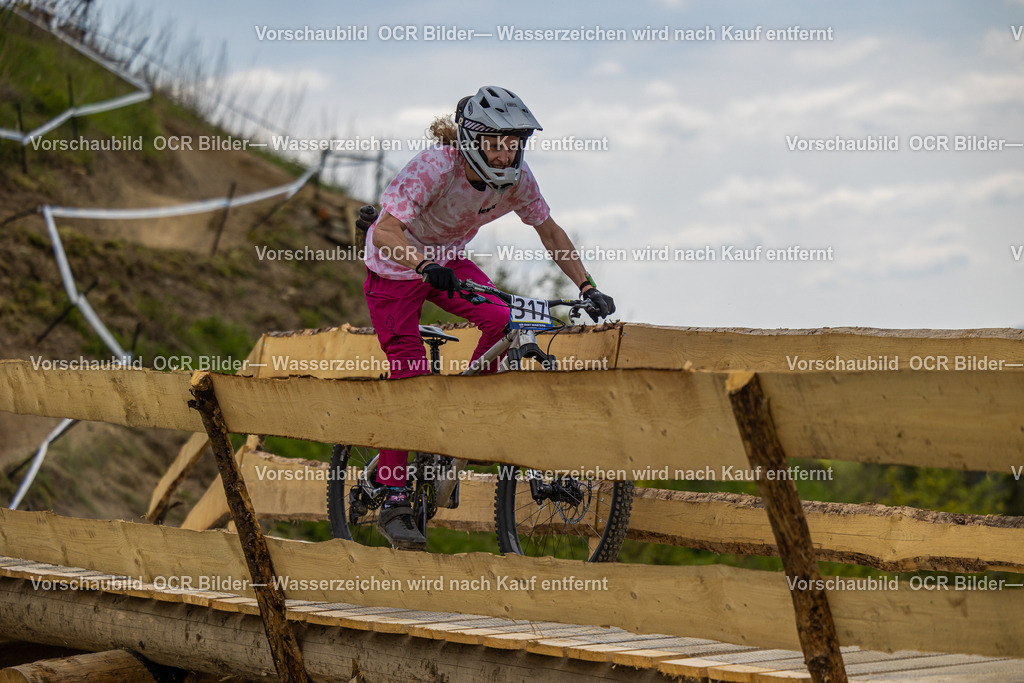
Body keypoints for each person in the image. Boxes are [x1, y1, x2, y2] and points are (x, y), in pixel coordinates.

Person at [362, 85, 615, 549]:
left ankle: (461, 411)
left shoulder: (519, 179)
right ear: (472, 139)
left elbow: (551, 231)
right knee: (410, 374)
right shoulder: (437, 165)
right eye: (496, 143)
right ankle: (394, 496)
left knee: (505, 320)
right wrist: (421, 264)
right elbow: (385, 230)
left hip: (447, 260)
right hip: (396, 267)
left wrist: (587, 286)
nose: (505, 154)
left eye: (513, 143)